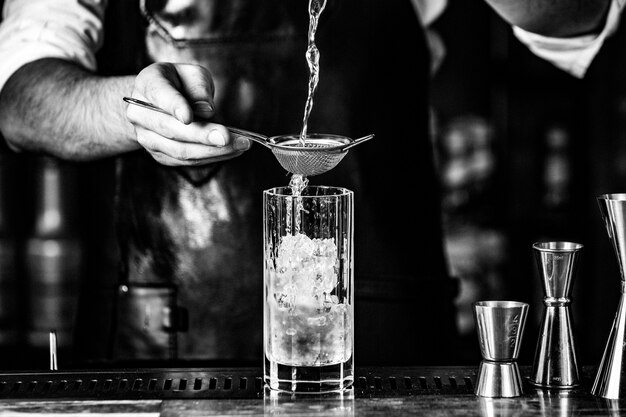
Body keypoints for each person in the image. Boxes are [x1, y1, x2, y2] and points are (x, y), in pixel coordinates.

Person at [0, 0, 616, 366]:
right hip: (158, 334)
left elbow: (577, 19)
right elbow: (20, 100)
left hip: (389, 333)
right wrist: (131, 109)